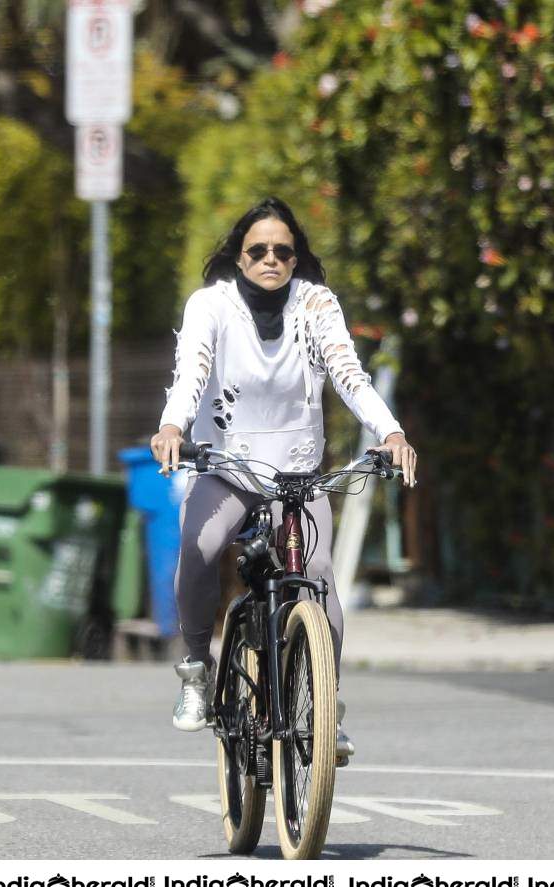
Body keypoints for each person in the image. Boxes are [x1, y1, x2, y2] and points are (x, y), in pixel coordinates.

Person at [149, 197, 417, 764]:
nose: (271, 259)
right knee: (199, 548)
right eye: (258, 250)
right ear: (238, 257)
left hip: (296, 471)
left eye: (283, 251)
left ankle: (326, 706)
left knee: (318, 575)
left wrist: (390, 433)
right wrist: (173, 425)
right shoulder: (211, 306)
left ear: (296, 259)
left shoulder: (316, 305)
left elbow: (348, 373)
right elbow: (192, 370)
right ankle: (197, 670)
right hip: (227, 465)